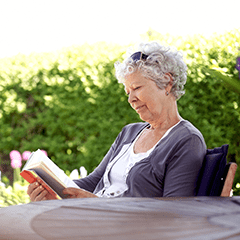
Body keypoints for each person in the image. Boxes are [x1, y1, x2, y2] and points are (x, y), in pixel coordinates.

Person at [27, 41, 206, 201]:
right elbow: (92, 182)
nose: (131, 99)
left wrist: (97, 205)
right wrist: (54, 189)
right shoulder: (130, 132)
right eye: (128, 92)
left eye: (136, 88)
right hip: (91, 221)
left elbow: (174, 213)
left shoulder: (187, 140)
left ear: (167, 82)